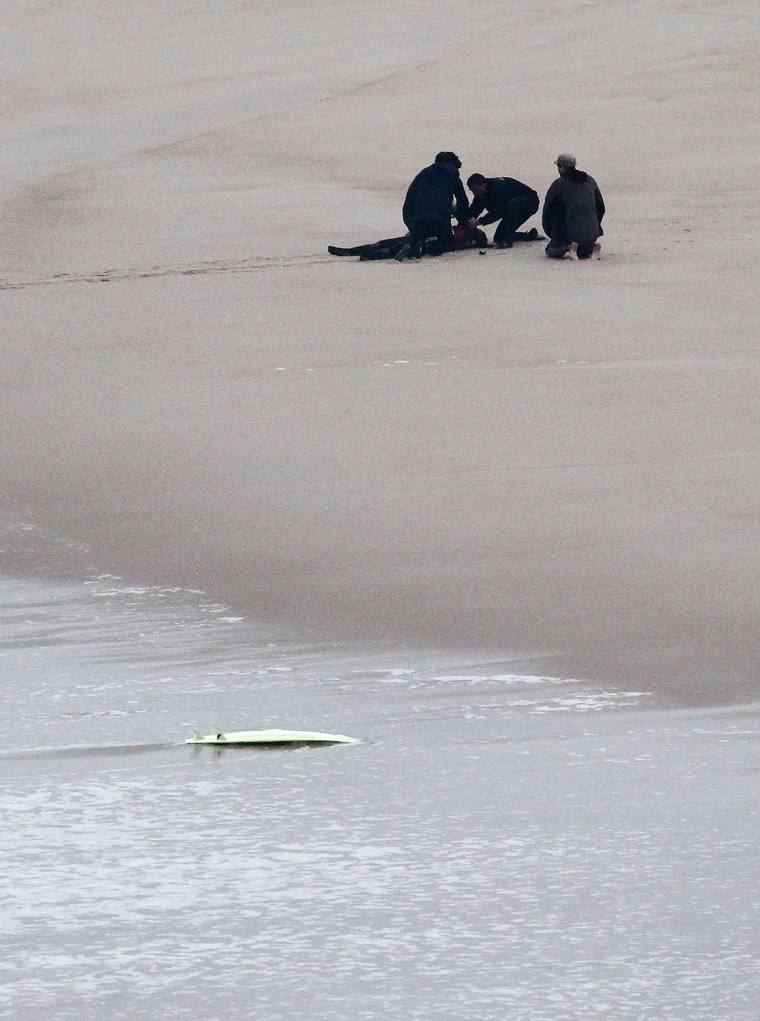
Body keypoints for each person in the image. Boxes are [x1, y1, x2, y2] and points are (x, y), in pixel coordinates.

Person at [396, 151, 470, 260]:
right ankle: (431, 246)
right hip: (441, 220)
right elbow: (463, 202)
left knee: (419, 236)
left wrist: (411, 224)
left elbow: (409, 200)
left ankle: (417, 243)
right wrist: (463, 223)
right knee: (447, 243)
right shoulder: (453, 177)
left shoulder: (423, 174)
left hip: (420, 218)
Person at [542, 154, 605, 260]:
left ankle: (568, 247)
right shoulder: (590, 180)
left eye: (558, 166)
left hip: (568, 233)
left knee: (550, 250)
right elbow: (601, 207)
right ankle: (590, 247)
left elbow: (548, 211)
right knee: (584, 247)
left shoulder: (559, 184)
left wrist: (553, 233)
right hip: (592, 232)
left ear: (562, 167)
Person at [328, 223, 488, 261]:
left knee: (394, 245)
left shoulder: (469, 237)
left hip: (429, 239)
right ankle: (360, 252)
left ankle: (365, 254)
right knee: (391, 244)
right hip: (428, 237)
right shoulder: (466, 234)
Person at [465, 173, 541, 248]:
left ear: (483, 185)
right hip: (512, 207)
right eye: (472, 191)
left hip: (530, 203)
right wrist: (465, 219)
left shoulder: (497, 188)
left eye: (474, 189)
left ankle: (507, 241)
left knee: (512, 205)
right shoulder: (481, 193)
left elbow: (498, 213)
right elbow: (474, 210)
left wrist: (479, 221)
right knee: (499, 237)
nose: (474, 193)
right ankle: (529, 235)